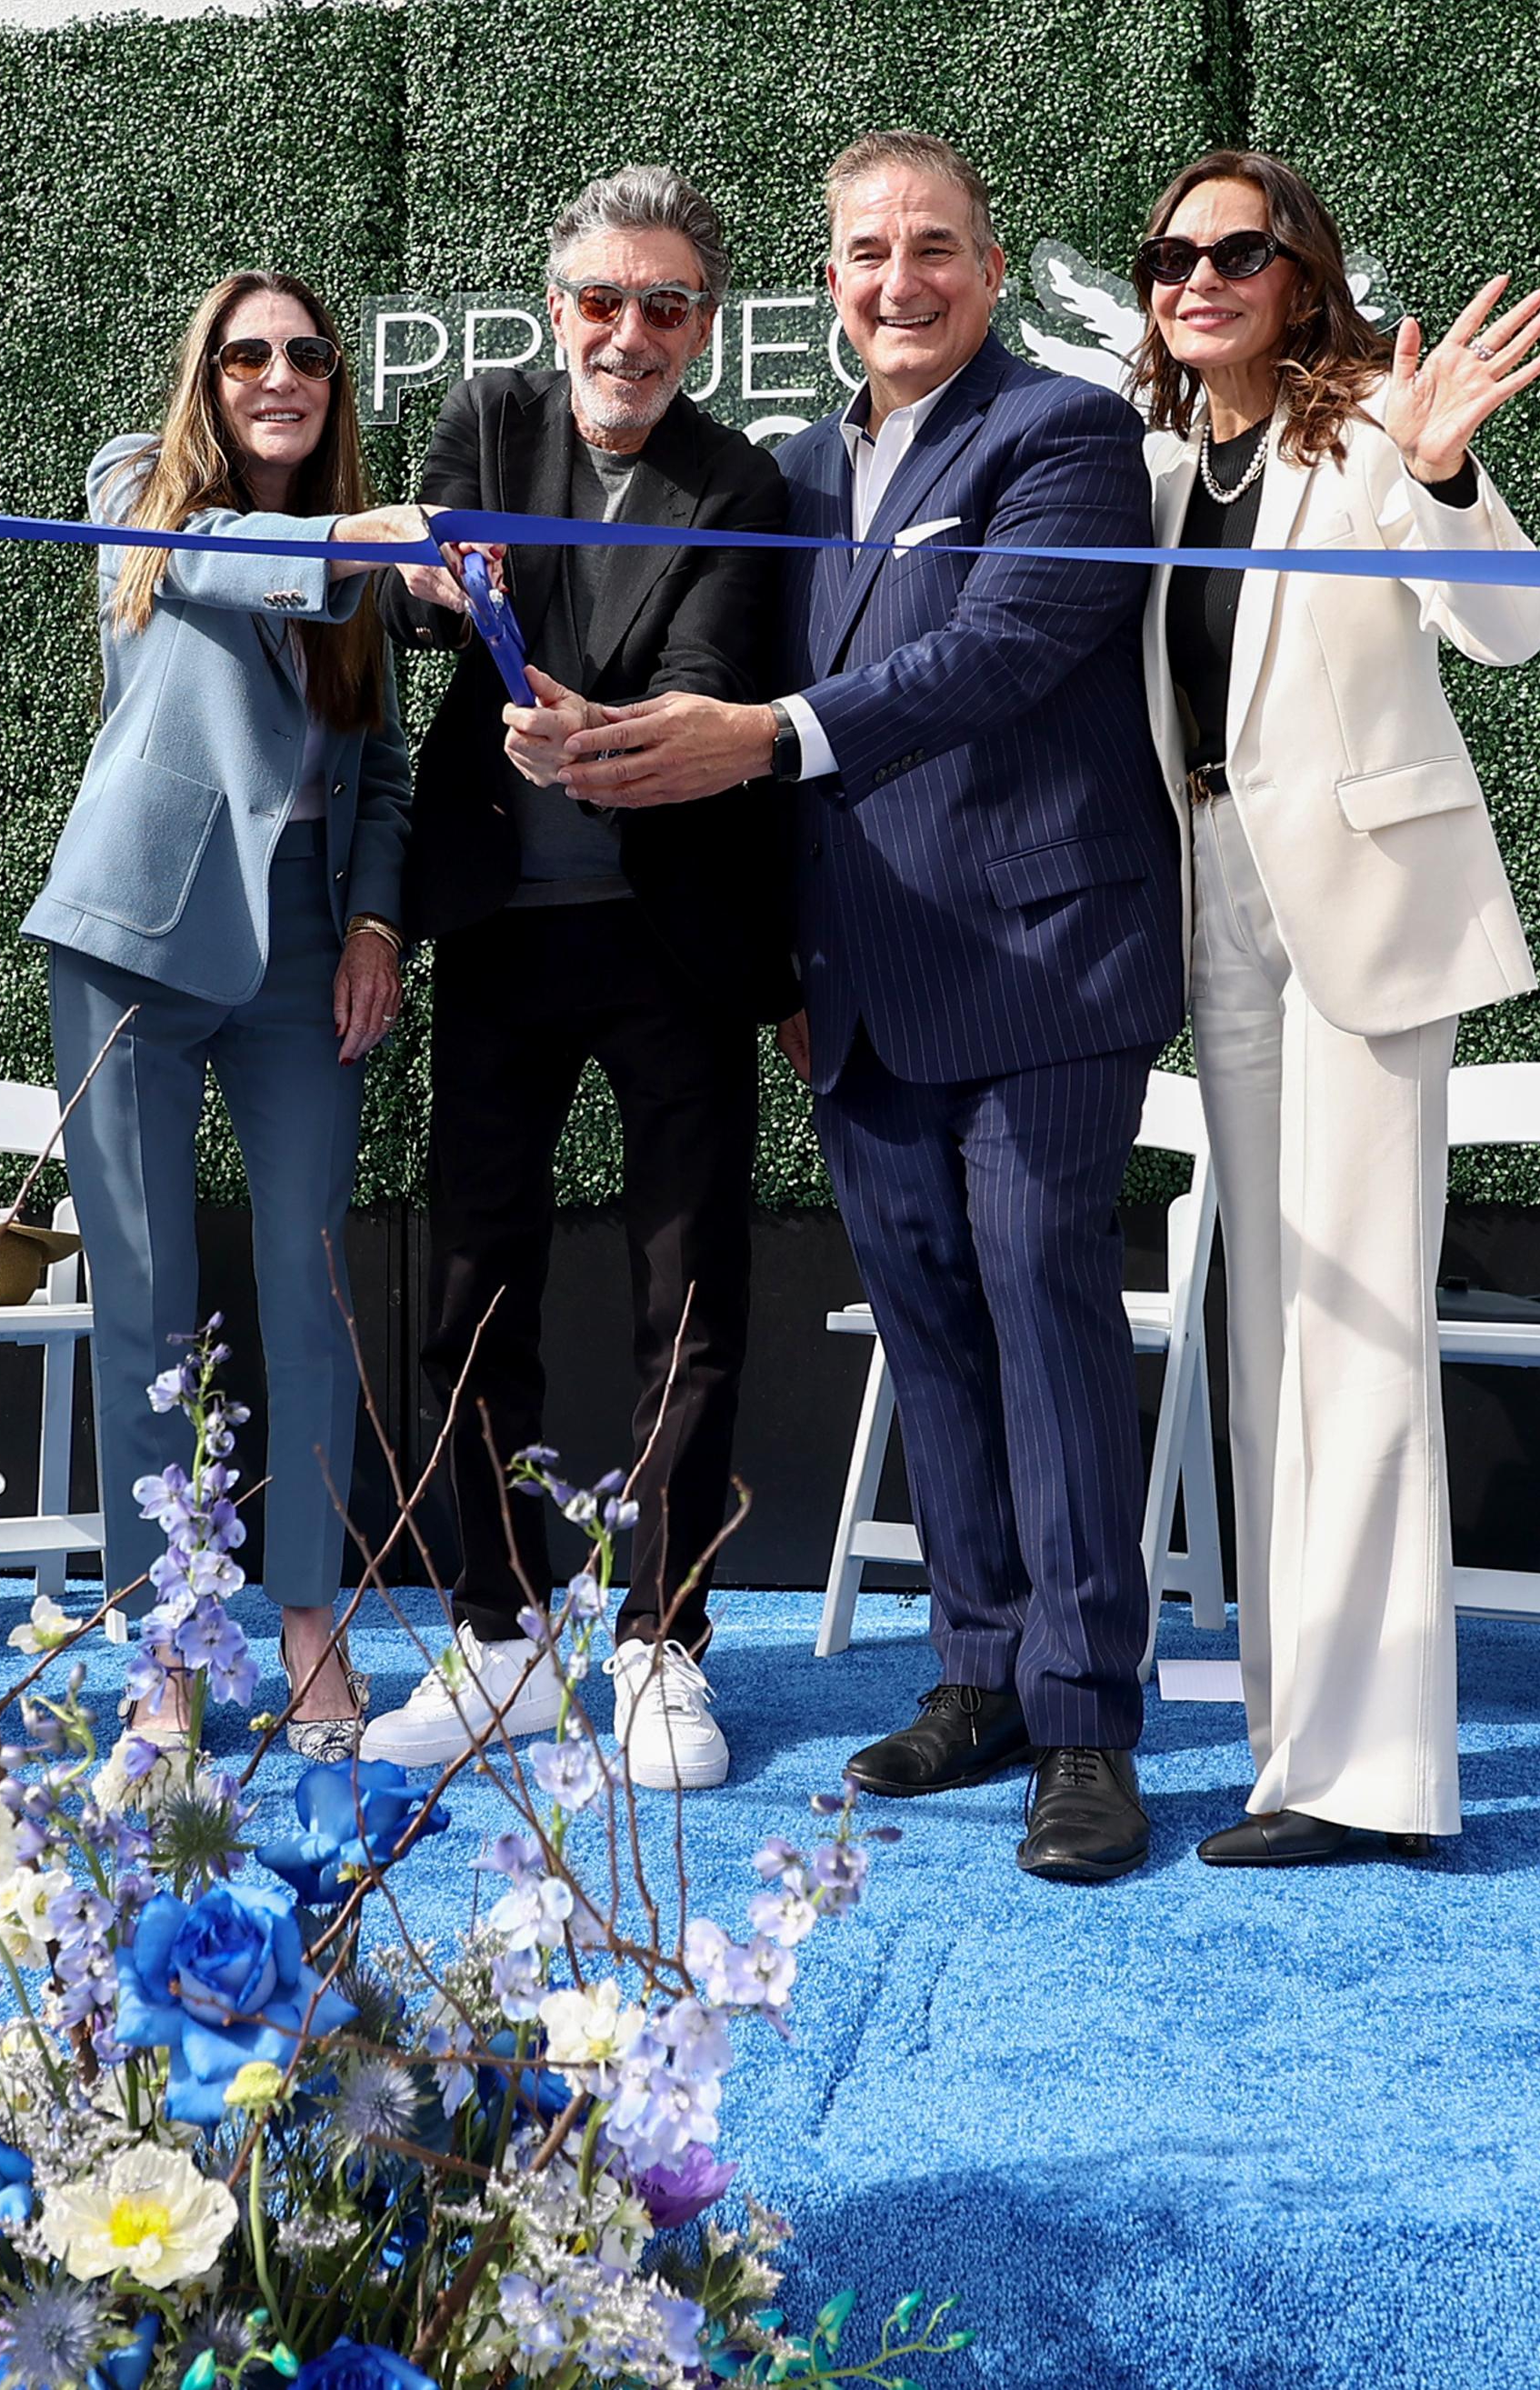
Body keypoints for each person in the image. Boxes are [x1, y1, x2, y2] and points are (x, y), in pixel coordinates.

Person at [555, 129, 1178, 1885]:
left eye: (932, 248)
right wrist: (778, 966)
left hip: (1044, 968)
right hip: (857, 991)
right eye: (866, 254)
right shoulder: (797, 468)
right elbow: (732, 695)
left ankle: (1086, 1721)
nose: (899, 282)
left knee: (1045, 1322)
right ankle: (978, 1671)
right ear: (827, 282)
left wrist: (762, 735)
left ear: (989, 268)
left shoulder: (1063, 433)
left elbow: (1001, 656)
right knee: (931, 1336)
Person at [1127, 151, 1540, 1868]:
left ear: (1301, 275)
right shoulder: (1159, 469)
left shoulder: (1377, 427)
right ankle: (1288, 1736)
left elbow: (1510, 625)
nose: (1199, 277)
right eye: (1171, 255)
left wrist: (1443, 471)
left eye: (1238, 251)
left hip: (1367, 905)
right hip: (1217, 893)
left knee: (1361, 1322)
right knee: (1271, 1324)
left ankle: (1369, 1774)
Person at [359, 164, 796, 1795]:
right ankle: (503, 1636)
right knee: (476, 1289)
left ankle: (661, 1640)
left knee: (691, 1295)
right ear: (557, 311)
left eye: (664, 305)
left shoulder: (740, 480)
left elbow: (707, 680)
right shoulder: (487, 418)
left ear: (704, 325)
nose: (630, 333)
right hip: (498, 929)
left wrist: (593, 740)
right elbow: (418, 607)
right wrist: (424, 583)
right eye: (603, 300)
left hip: (675, 935)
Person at [29, 274, 422, 1763]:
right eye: (246, 352)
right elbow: (208, 558)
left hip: (307, 942)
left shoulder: (358, 554)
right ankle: (167, 1645)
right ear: (207, 375)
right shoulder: (138, 486)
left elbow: (384, 770)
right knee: (145, 1300)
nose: (277, 374)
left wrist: (375, 922)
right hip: (135, 929)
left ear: (334, 381)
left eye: (306, 353)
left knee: (310, 1285)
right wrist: (359, 545)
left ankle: (313, 1622)